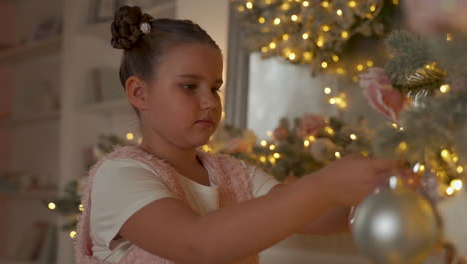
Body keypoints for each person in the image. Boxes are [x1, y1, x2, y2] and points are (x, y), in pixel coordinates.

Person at [75, 5, 398, 264]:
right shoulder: (119, 177)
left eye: (214, 88)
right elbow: (197, 245)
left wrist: (380, 192)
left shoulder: (233, 174)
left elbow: (309, 217)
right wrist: (325, 185)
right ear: (139, 93)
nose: (209, 101)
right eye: (189, 86)